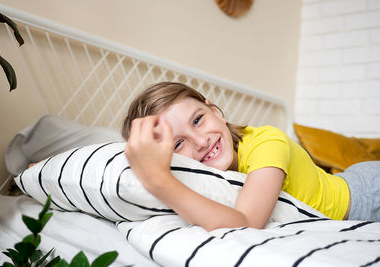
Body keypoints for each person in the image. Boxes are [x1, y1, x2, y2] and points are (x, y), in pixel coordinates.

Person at [122, 82, 380, 231]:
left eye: (198, 120)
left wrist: (158, 180)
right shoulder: (201, 174)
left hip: (365, 194)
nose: (201, 141)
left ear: (216, 112)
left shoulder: (268, 142)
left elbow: (246, 223)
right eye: (178, 143)